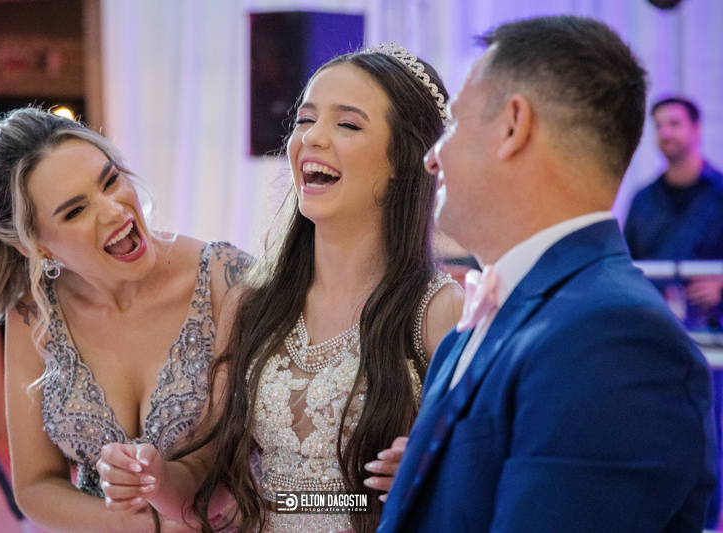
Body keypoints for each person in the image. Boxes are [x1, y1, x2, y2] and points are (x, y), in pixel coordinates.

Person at [96, 45, 464, 533]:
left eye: (347, 124)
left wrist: (432, 479)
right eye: (305, 119)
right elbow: (211, 479)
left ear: (404, 158)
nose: (312, 137)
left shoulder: (439, 312)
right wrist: (155, 478)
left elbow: (479, 480)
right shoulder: (254, 302)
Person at [378, 16, 718, 533]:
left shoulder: (614, 338)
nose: (431, 158)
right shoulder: (483, 321)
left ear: (513, 126)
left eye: (453, 124)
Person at [0, 107, 250, 532]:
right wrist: (140, 527)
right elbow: (35, 486)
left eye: (110, 180)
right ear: (36, 247)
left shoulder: (227, 280)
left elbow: (225, 465)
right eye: (75, 211)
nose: (114, 210)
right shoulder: (34, 311)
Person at [624, 97, 723, 331]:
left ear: (696, 129)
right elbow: (626, 262)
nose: (665, 133)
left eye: (674, 124)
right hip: (655, 330)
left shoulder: (719, 194)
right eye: (659, 126)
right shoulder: (642, 200)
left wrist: (720, 286)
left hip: (713, 333)